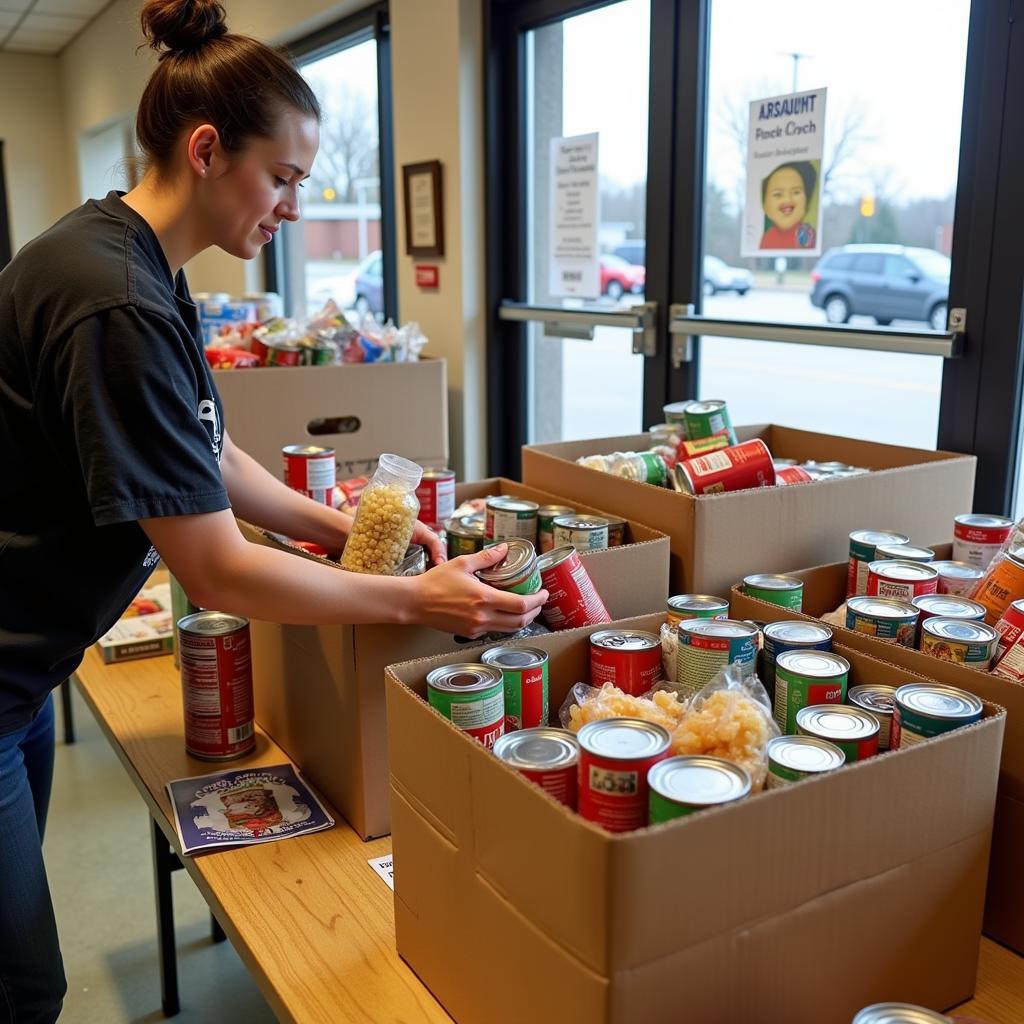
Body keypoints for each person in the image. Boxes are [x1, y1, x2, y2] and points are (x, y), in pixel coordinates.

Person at [0, 2, 546, 1020]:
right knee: (19, 985)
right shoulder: (111, 298)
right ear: (208, 150)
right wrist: (408, 596)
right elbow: (217, 571)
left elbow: (209, 449)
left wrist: (341, 528)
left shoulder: (135, 262)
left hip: (28, 669)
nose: (294, 204)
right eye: (285, 177)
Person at [758, 160, 818, 250]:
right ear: (764, 205)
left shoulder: (807, 235)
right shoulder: (767, 237)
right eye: (778, 194)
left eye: (796, 192)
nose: (787, 200)